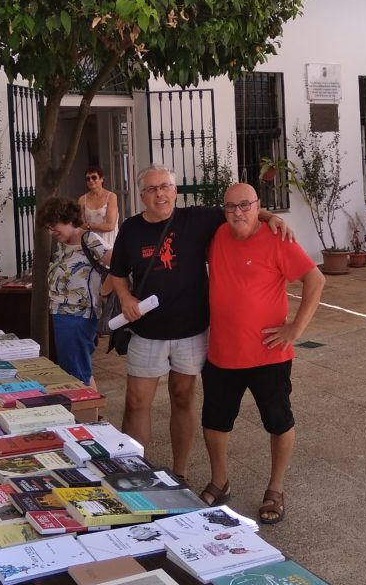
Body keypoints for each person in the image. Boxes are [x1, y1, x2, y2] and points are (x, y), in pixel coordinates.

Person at [108, 164, 291, 481]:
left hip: (191, 331)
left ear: (174, 190)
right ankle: (131, 472)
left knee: (183, 396)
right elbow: (118, 274)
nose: (159, 194)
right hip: (147, 331)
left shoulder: (196, 219)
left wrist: (270, 217)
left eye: (164, 186)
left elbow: (239, 210)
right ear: (141, 196)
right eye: (152, 189)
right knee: (136, 401)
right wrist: (125, 299)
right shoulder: (131, 229)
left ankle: (179, 473)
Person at [200, 182, 325, 524]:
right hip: (223, 353)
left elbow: (315, 280)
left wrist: (295, 329)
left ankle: (275, 489)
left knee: (279, 422)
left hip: (269, 355)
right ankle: (220, 480)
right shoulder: (216, 235)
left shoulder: (277, 239)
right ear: (222, 209)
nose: (237, 212)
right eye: (230, 207)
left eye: (245, 205)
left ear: (258, 206)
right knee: (214, 423)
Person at [38, 196, 112, 385]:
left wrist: (104, 290)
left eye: (54, 224)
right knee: (78, 371)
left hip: (78, 314)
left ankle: (86, 413)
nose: (51, 231)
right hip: (62, 314)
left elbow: (118, 263)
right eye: (48, 227)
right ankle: (91, 414)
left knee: (77, 373)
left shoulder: (88, 239)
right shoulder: (64, 244)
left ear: (68, 218)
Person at [78, 166, 119, 247]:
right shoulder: (82, 199)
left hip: (109, 242)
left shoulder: (111, 197)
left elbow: (110, 226)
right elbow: (80, 225)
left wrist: (89, 226)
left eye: (94, 177)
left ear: (101, 179)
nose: (91, 180)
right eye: (88, 178)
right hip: (90, 243)